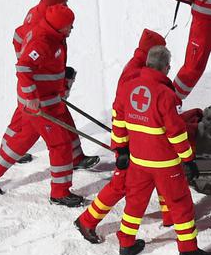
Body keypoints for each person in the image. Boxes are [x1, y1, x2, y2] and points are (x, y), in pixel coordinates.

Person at [111, 45, 211, 255]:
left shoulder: (128, 87)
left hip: (138, 161)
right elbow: (177, 134)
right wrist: (188, 160)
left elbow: (118, 119)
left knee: (134, 204)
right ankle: (188, 250)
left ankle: (126, 244)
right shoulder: (166, 95)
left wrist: (120, 148)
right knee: (180, 204)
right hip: (165, 164)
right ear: (167, 68)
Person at [0, 4, 85, 206]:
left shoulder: (54, 37)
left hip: (46, 102)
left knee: (22, 141)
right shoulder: (41, 42)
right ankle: (60, 193)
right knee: (60, 145)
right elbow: (23, 68)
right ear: (59, 26)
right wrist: (32, 97)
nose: (71, 29)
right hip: (40, 106)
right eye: (69, 26)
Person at [74, 29, 173, 243]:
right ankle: (87, 220)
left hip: (136, 137)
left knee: (159, 172)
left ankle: (169, 215)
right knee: (120, 184)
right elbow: (121, 111)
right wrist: (122, 147)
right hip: (132, 140)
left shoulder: (139, 67)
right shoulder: (136, 73)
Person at [9, 0, 98, 168]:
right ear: (55, 3)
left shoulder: (44, 14)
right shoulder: (42, 21)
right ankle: (9, 154)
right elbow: (25, 53)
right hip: (37, 86)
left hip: (44, 83)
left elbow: (20, 38)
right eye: (64, 3)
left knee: (58, 117)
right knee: (24, 123)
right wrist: (35, 72)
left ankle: (76, 157)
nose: (66, 6)